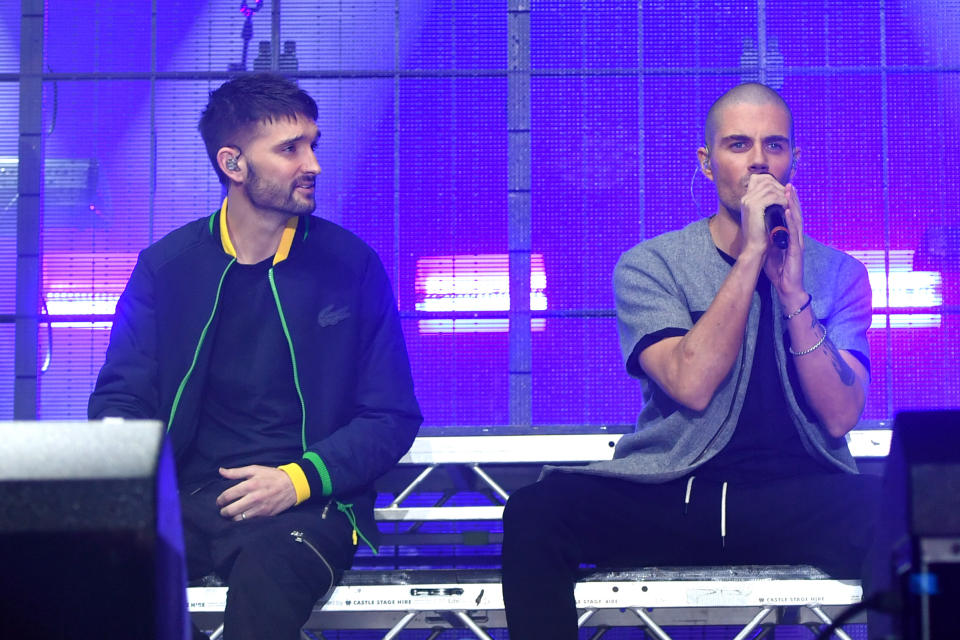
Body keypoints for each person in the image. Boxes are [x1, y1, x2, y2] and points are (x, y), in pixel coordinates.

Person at [501, 83, 880, 638]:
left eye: (774, 145)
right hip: (677, 493)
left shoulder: (839, 274)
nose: (758, 161)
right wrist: (752, 256)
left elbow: (841, 415)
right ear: (706, 164)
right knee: (535, 513)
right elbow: (691, 382)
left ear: (794, 160)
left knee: (908, 514)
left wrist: (795, 293)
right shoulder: (651, 265)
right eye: (737, 145)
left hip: (796, 493)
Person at [89, 73, 422, 640]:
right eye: (289, 149)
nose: (312, 163)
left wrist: (296, 479)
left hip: (305, 505)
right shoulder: (166, 268)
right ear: (233, 163)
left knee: (263, 599)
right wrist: (129, 487)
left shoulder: (352, 265)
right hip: (186, 500)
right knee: (90, 579)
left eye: (313, 144)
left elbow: (391, 416)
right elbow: (120, 397)